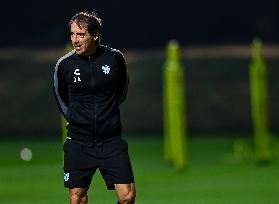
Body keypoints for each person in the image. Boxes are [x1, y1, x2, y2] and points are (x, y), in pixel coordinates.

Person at [53, 11, 136, 204]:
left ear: (95, 35)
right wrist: (75, 117)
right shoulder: (64, 65)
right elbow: (60, 96)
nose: (75, 40)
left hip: (110, 140)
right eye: (72, 34)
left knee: (128, 197)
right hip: (78, 142)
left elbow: (121, 90)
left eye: (81, 35)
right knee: (77, 198)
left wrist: (107, 113)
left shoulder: (114, 59)